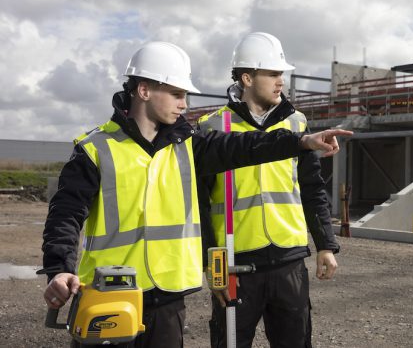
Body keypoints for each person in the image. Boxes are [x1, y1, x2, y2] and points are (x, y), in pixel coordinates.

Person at [39, 41, 351, 348]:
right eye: (176, 94)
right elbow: (65, 214)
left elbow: (246, 147)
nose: (184, 104)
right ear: (145, 91)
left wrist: (303, 142)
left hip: (169, 297)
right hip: (108, 292)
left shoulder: (190, 145)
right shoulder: (95, 148)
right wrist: (60, 268)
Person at [197, 32, 340, 348]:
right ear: (247, 77)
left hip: (288, 261)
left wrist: (326, 245)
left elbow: (312, 188)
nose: (281, 81)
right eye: (273, 73)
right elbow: (200, 204)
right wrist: (212, 264)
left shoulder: (296, 124)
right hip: (236, 263)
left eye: (282, 74)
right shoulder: (213, 127)